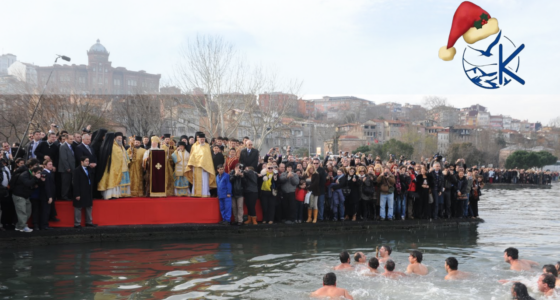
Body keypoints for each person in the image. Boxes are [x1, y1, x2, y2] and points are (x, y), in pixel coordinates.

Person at [97, 132, 131, 199]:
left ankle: (120, 194)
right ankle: (112, 194)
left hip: (123, 167)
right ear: (115, 139)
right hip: (113, 167)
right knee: (113, 181)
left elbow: (125, 156)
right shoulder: (112, 146)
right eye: (118, 138)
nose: (120, 139)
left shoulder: (121, 147)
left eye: (121, 138)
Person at [11, 161, 41, 232]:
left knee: (28, 211)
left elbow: (32, 185)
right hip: (19, 195)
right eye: (38, 173)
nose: (39, 175)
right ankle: (23, 226)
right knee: (22, 212)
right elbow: (28, 183)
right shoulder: (24, 174)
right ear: (33, 172)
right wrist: (35, 179)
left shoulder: (31, 176)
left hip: (25, 196)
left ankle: (18, 226)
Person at [185, 132, 216, 197]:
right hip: (195, 167)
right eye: (201, 139)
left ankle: (204, 193)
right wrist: (191, 165)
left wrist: (207, 167)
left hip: (204, 168)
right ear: (198, 139)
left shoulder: (207, 146)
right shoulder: (194, 146)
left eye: (203, 139)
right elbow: (192, 155)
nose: (202, 141)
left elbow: (208, 157)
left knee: (204, 180)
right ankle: (195, 193)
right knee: (196, 180)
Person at [73, 157, 96, 229]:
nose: (88, 162)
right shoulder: (77, 170)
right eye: (86, 161)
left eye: (88, 161)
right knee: (78, 207)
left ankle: (89, 222)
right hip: (80, 191)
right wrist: (77, 194)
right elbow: (75, 183)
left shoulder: (89, 169)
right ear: (81, 162)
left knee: (89, 206)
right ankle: (77, 223)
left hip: (88, 190)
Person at [36, 160, 55, 230]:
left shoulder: (48, 173)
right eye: (49, 164)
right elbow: (47, 186)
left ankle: (44, 225)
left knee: (46, 211)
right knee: (45, 211)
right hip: (45, 197)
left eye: (52, 164)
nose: (51, 166)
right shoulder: (44, 173)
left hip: (46, 196)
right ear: (45, 165)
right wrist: (49, 197)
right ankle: (44, 226)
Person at [58, 134, 75, 200]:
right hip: (65, 169)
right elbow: (64, 158)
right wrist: (67, 167)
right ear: (66, 139)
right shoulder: (63, 146)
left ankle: (69, 195)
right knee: (66, 183)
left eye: (72, 139)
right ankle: (64, 196)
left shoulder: (71, 146)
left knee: (70, 183)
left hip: (72, 168)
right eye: (70, 139)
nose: (72, 140)